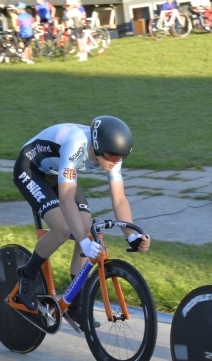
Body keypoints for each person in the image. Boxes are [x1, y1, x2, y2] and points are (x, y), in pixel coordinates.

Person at [14, 118, 151, 326]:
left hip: (57, 170)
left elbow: (119, 199)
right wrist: (84, 242)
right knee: (63, 229)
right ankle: (27, 275)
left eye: (121, 156)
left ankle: (74, 306)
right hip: (31, 169)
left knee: (85, 230)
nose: (116, 161)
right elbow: (66, 199)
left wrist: (131, 236)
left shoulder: (111, 152)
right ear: (97, 146)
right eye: (112, 156)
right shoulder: (76, 144)